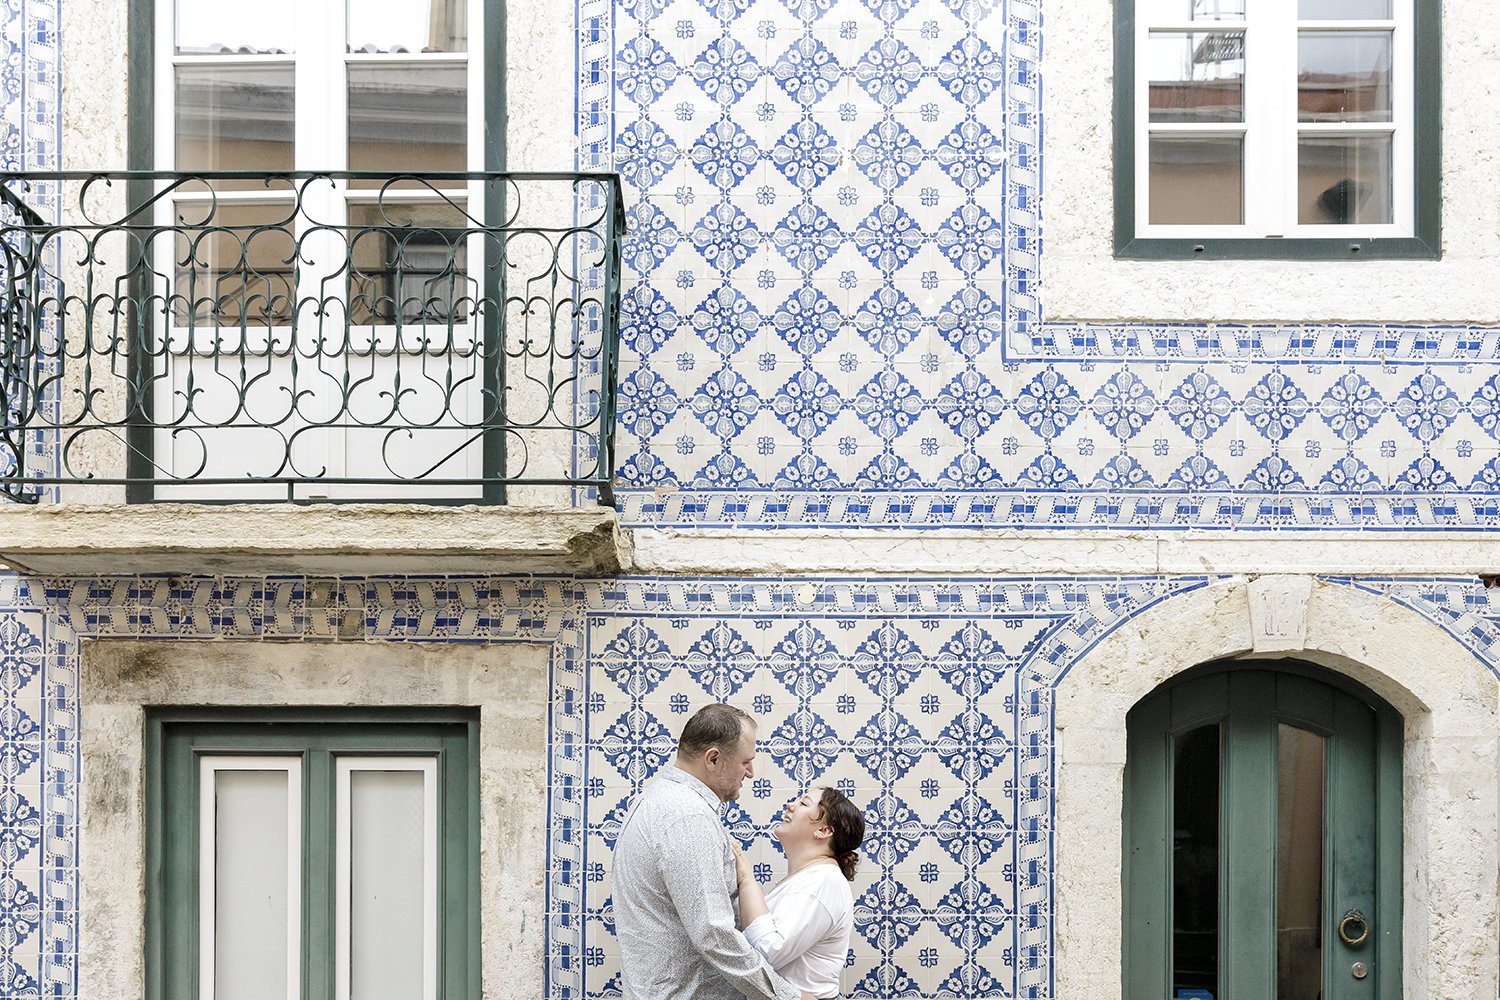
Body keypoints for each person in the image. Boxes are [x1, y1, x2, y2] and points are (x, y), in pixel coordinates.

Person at [612, 703, 813, 1000]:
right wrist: (786, 996)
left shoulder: (658, 799)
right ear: (714, 758)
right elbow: (714, 935)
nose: (751, 773)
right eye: (746, 761)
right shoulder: (687, 816)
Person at [732, 787, 866, 1000]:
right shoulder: (810, 879)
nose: (790, 805)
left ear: (823, 831)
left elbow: (767, 953)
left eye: (804, 803)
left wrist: (747, 878)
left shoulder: (823, 882)